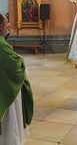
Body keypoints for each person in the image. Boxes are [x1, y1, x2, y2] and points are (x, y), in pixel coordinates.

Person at [0, 14, 34, 144]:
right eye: (7, 22)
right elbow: (15, 67)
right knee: (9, 123)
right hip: (5, 91)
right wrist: (20, 59)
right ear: (1, 26)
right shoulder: (2, 45)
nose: (9, 25)